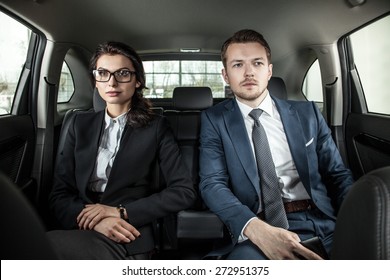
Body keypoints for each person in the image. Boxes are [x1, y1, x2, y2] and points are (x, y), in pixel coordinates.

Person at [199, 29, 354, 260]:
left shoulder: (308, 113)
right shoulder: (214, 120)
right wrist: (256, 229)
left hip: (319, 221)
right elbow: (212, 183)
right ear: (225, 75)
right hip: (257, 226)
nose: (249, 72)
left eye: (257, 63)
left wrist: (355, 218)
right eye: (238, 65)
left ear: (269, 71)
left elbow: (338, 174)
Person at [47, 41, 196, 259]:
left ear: (137, 81)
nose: (112, 82)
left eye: (123, 73)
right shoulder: (79, 124)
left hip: (128, 232)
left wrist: (119, 212)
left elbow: (184, 192)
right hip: (82, 223)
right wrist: (97, 221)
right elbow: (59, 195)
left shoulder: (155, 127)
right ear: (95, 81)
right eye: (103, 73)